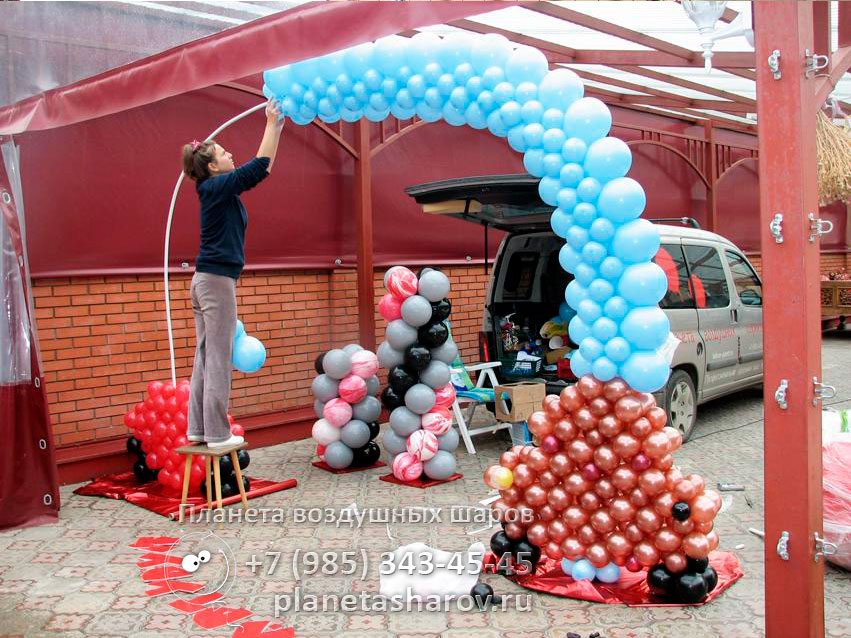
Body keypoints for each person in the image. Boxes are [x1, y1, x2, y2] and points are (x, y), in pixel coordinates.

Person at [181, 98, 284, 448]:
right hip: (215, 282)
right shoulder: (215, 188)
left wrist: (277, 128)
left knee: (206, 355)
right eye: (224, 154)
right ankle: (216, 433)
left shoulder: (215, 191)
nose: (230, 156)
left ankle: (197, 428)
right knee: (219, 358)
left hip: (205, 281)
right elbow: (258, 168)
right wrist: (272, 124)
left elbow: (259, 168)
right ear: (212, 166)